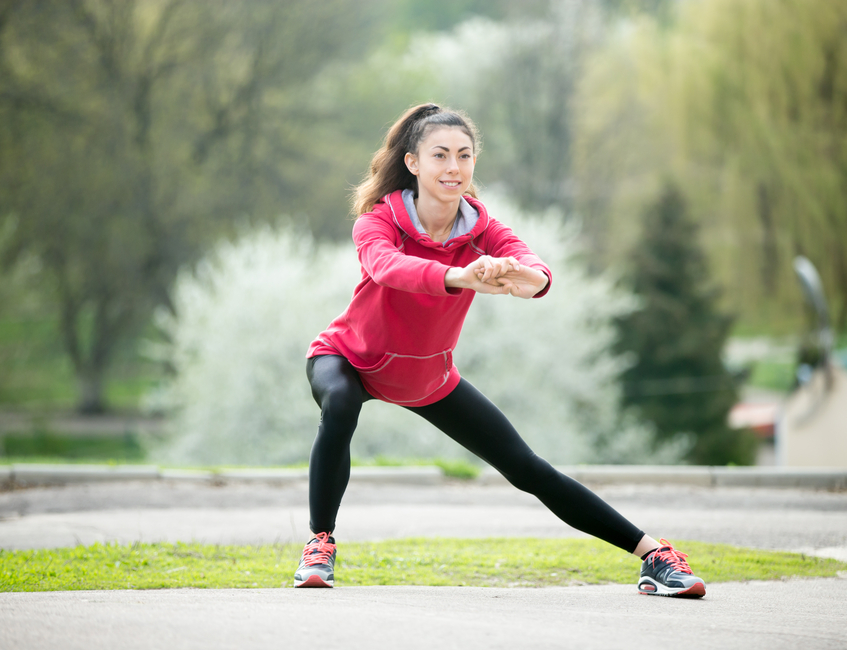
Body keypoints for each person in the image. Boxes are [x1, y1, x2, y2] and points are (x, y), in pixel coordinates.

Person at [293, 102, 706, 598]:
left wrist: (524, 279)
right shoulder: (378, 221)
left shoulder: (483, 228)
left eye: (464, 156)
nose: (453, 168)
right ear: (413, 163)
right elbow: (386, 268)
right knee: (338, 404)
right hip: (350, 359)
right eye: (440, 155)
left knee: (527, 468)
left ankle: (654, 556)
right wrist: (458, 276)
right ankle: (320, 545)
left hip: (427, 377)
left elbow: (536, 272)